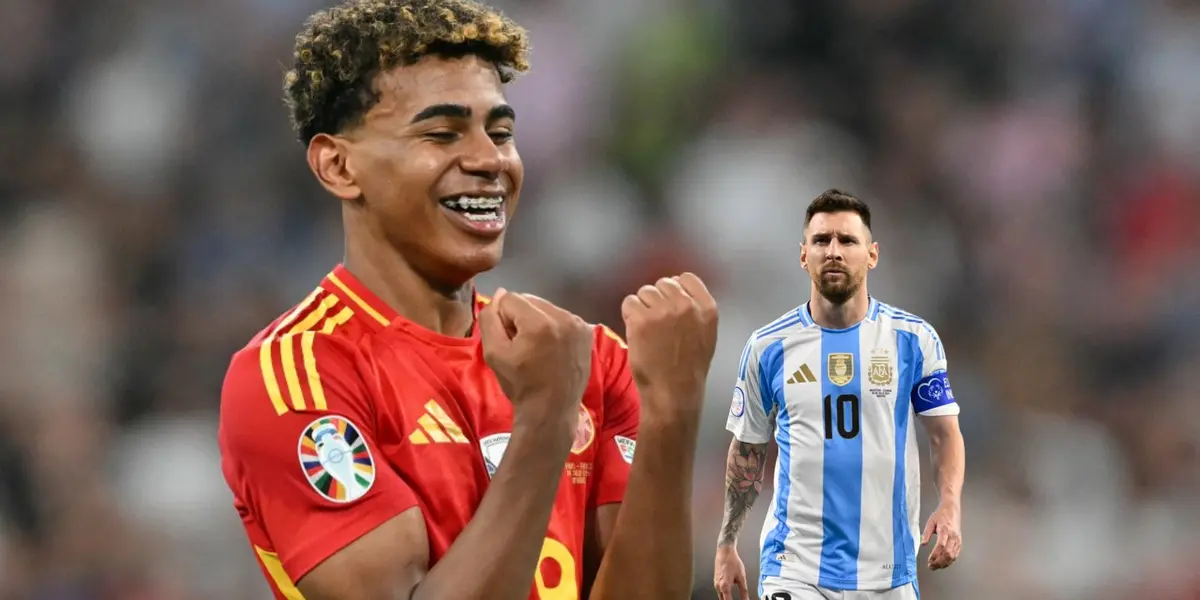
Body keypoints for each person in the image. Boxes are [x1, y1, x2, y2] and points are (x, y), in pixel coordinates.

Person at [216, 1, 719, 599]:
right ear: (339, 165)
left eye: (501, 132)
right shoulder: (296, 376)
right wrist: (543, 420)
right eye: (442, 133)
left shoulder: (586, 359)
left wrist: (673, 411)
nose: (489, 160)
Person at [712, 190, 965, 600]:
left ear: (872, 254)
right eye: (821, 240)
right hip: (794, 567)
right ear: (802, 255)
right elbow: (747, 450)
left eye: (847, 241)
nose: (833, 251)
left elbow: (944, 434)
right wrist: (727, 544)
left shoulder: (914, 340)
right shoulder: (768, 347)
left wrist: (950, 504)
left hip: (887, 573)